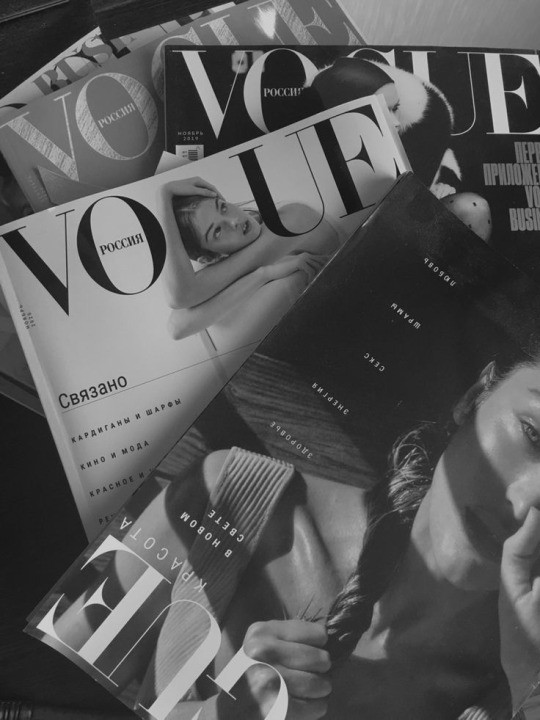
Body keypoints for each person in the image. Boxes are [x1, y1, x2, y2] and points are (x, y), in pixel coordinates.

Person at [55, 354, 540, 719]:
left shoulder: (517, 689)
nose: (524, 506)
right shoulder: (231, 497)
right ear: (473, 399)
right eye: (534, 434)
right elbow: (45, 690)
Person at [156, 177, 340, 341]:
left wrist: (163, 195)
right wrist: (263, 275)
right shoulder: (234, 261)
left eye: (223, 208)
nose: (233, 221)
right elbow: (176, 327)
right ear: (210, 258)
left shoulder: (291, 220)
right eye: (217, 231)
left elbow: (181, 296)